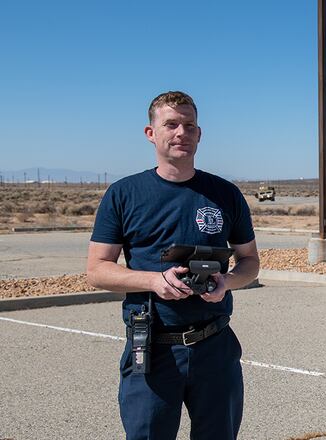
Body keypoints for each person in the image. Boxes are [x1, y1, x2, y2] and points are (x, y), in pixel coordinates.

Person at [86, 91, 260, 439]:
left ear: (199, 133)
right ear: (151, 133)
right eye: (171, 124)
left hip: (215, 345)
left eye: (189, 125)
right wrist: (154, 281)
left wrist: (228, 281)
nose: (181, 132)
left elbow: (250, 261)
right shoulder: (124, 194)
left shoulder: (224, 194)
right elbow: (97, 270)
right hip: (152, 348)